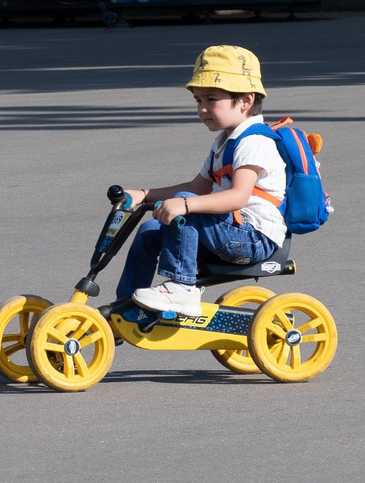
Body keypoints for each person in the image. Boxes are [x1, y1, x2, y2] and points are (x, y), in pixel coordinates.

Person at [117, 46, 289, 318]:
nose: (202, 109)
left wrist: (184, 204)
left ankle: (181, 289)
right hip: (230, 231)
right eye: (198, 100)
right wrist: (143, 194)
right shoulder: (225, 141)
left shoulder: (255, 141)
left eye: (211, 99)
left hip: (253, 239)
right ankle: (126, 309)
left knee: (187, 207)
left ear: (245, 100)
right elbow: (199, 188)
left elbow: (237, 197)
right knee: (151, 230)